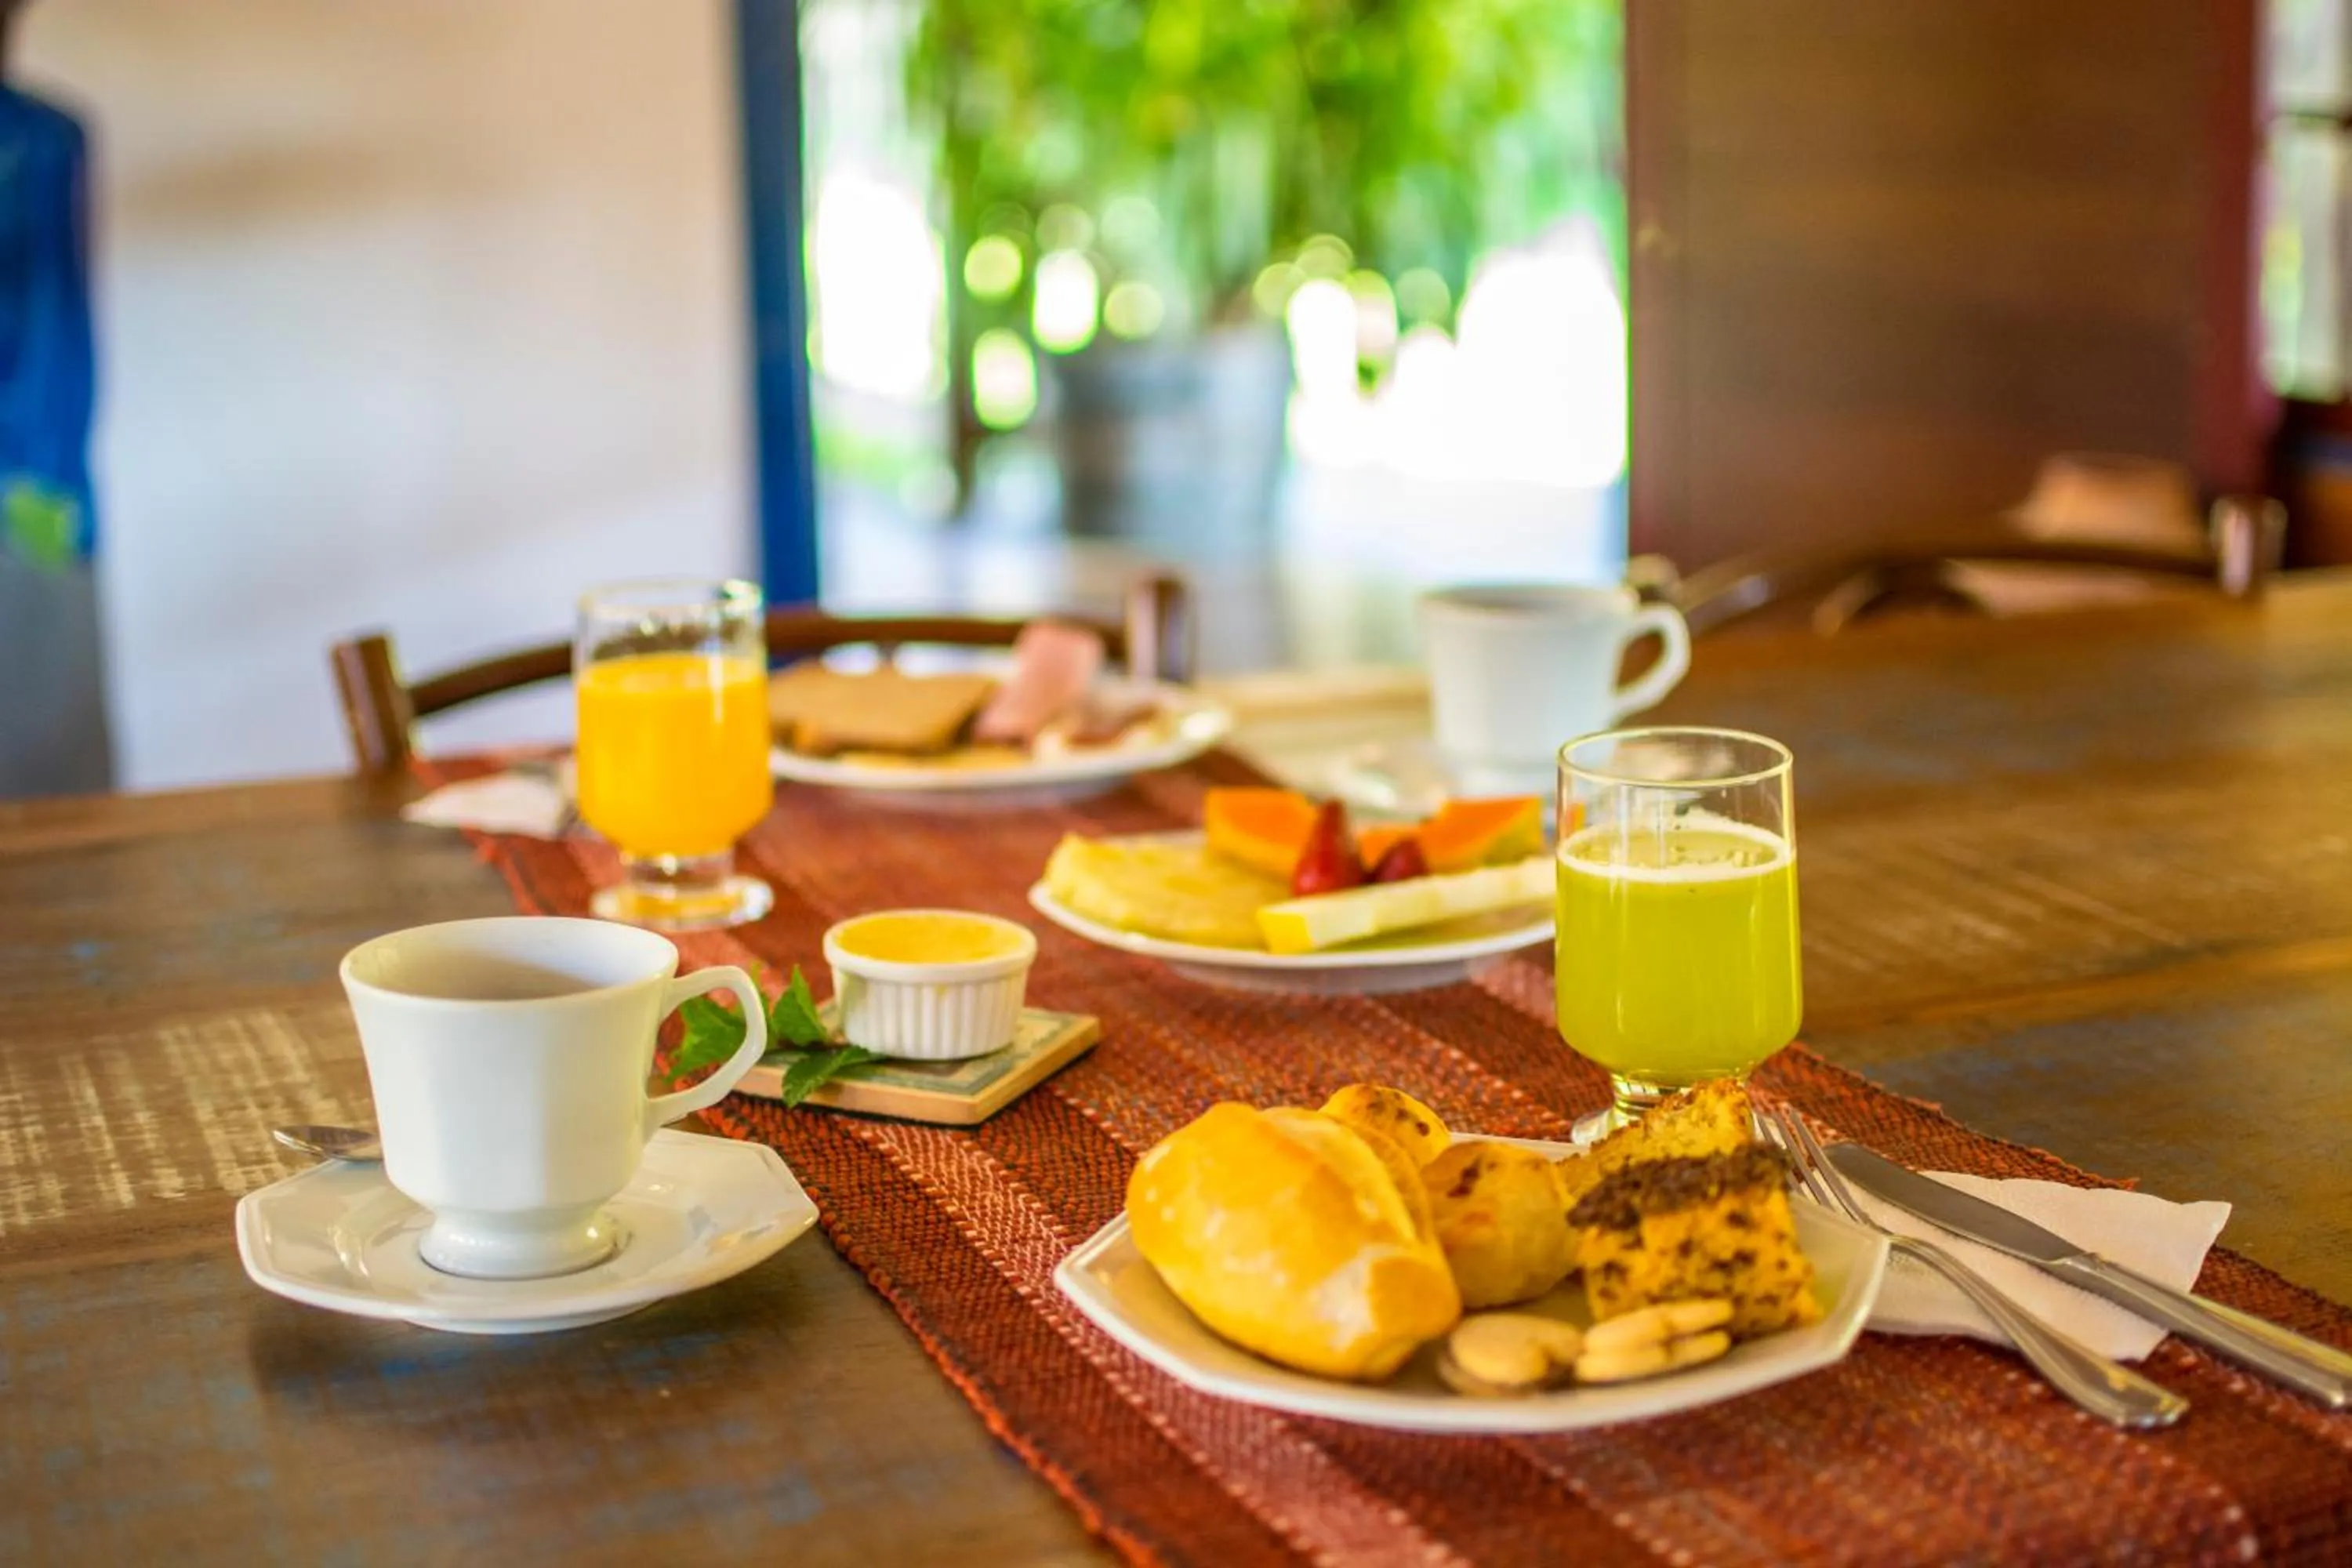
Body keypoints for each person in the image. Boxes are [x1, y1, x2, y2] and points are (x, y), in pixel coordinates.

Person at [0, 0, 112, 796]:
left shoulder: (45, 139)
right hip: (41, 494)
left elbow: (58, 340)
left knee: (53, 784)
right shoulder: (46, 139)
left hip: (36, 498)